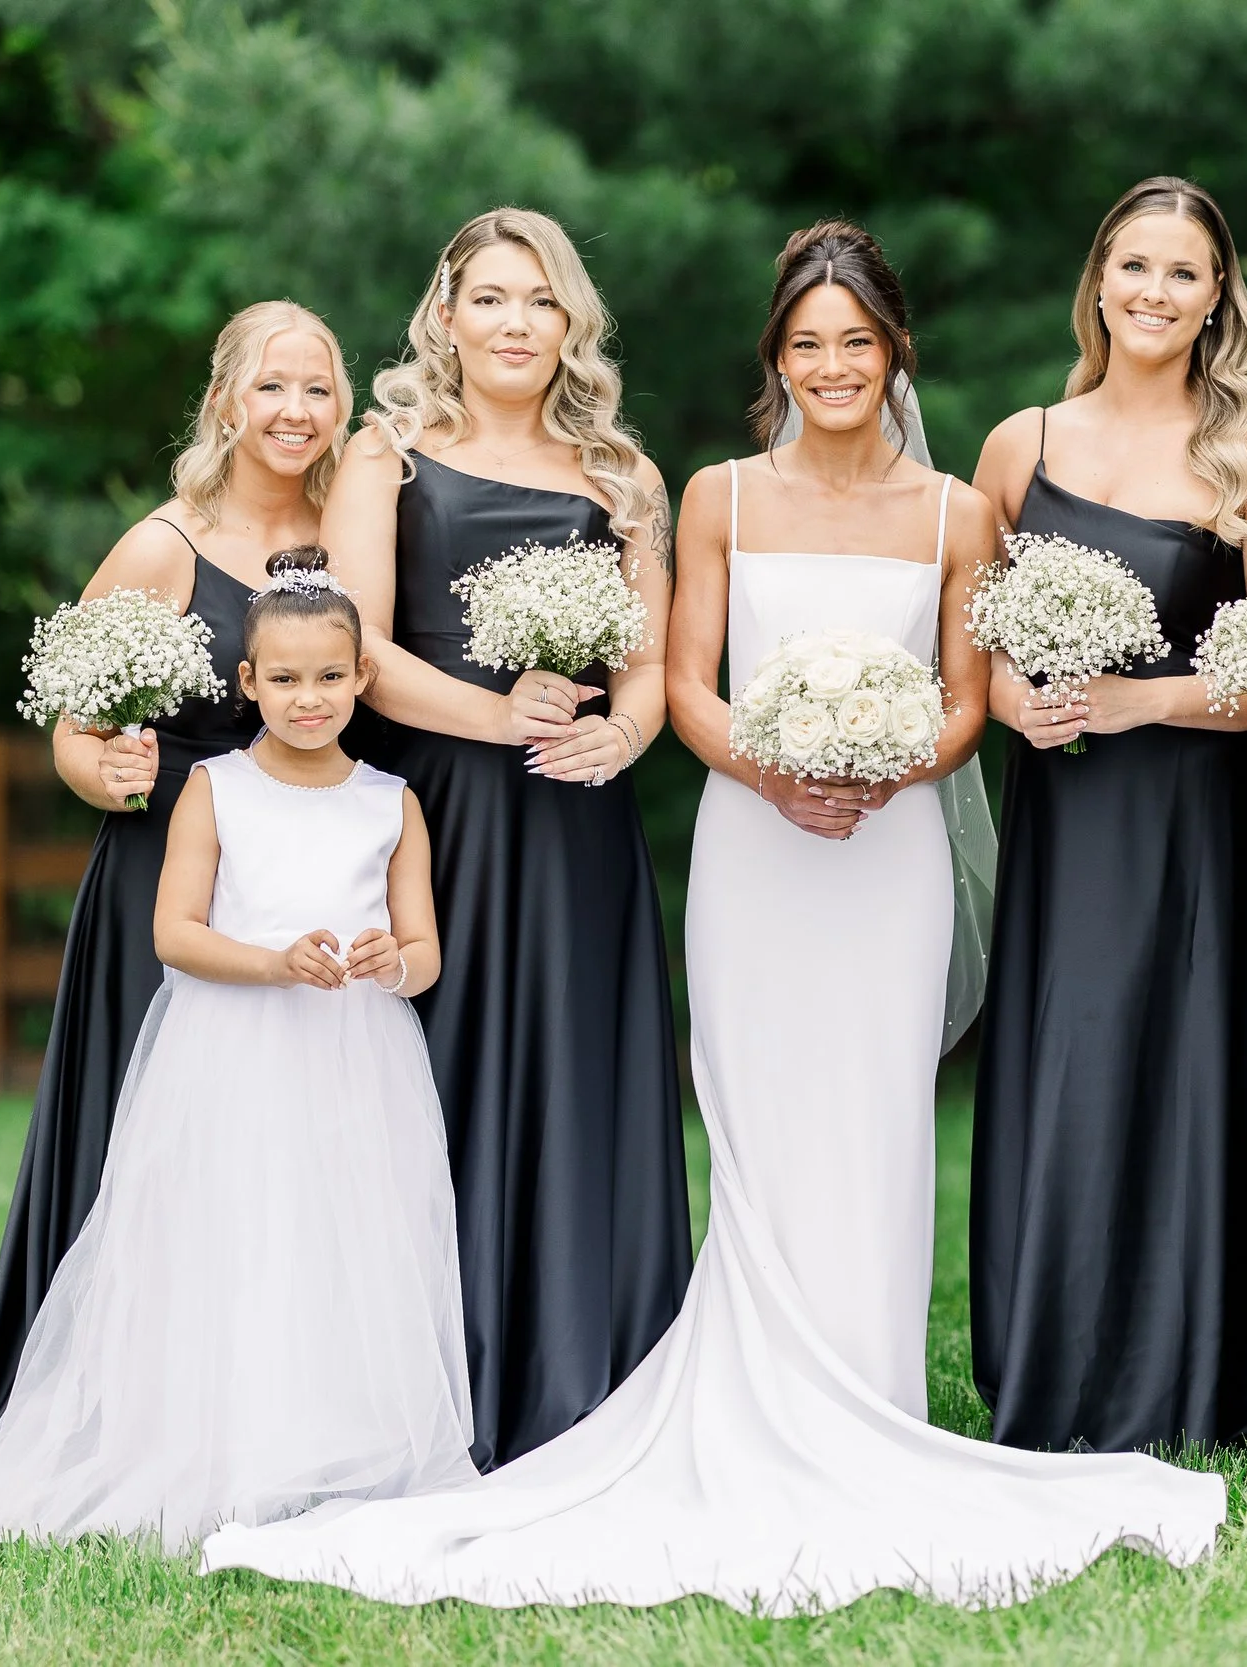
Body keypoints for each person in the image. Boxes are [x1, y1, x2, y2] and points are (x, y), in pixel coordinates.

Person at [197, 223, 1225, 1613]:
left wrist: (879, 762)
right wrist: (771, 766)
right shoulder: (716, 495)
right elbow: (684, 681)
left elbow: (969, 703)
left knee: (876, 1120)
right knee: (750, 1120)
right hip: (754, 840)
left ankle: (872, 1404)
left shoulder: (955, 512)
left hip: (891, 848)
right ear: (775, 360)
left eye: (857, 342)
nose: (832, 365)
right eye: (805, 343)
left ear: (896, 353)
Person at [0, 301, 349, 1504]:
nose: (295, 411)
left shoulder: (352, 537)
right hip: (166, 880)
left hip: (306, 881)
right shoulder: (167, 545)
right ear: (225, 400)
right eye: (271, 387)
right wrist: (93, 765)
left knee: (299, 1153)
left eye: (317, 388)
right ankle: (126, 1416)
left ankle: (289, 1414)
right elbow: (72, 719)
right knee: (147, 1154)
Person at [0, 551, 473, 1548]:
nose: (308, 697)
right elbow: (175, 934)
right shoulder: (215, 790)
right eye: (283, 677)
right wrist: (274, 963)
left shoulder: (392, 801)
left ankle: (334, 1437)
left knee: (340, 1242)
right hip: (232, 1049)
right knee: (234, 1234)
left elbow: (424, 952)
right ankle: (218, 1435)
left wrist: (387, 961)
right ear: (246, 683)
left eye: (329, 676)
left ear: (363, 677)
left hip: (358, 1059)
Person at [323, 208, 691, 1472]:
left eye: (540, 300)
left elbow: (646, 663)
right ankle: (430, 1387)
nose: (516, 323)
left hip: (577, 819)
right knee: (438, 1075)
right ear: (446, 316)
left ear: (572, 321)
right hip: (439, 813)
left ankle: (589, 1378)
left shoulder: (625, 478)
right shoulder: (388, 458)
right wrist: (495, 715)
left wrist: (625, 736)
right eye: (490, 298)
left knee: (574, 1071)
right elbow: (359, 653)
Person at [969, 178, 1247, 1454]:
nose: (1155, 292)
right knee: (1067, 1058)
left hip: (1186, 819)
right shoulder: (1023, 445)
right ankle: (1043, 1356)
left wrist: (1140, 701)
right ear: (1097, 282)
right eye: (1134, 266)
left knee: (1176, 1064)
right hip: (1062, 812)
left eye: (1183, 272)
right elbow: (972, 636)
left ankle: (1184, 1369)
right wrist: (1015, 700)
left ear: (1219, 295)